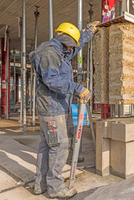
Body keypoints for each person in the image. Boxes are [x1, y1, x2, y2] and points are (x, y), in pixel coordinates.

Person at [29, 21, 100, 198]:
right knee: (59, 147)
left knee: (47, 146)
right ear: (63, 40)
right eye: (70, 44)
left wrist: (88, 33)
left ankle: (41, 185)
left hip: (53, 106)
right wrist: (77, 88)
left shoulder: (59, 50)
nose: (71, 48)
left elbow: (74, 49)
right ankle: (55, 188)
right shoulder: (49, 54)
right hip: (52, 109)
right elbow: (52, 80)